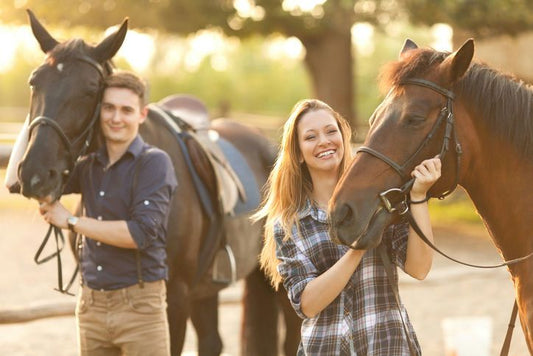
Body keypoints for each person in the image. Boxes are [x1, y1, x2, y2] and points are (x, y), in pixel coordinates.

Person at [254, 99, 441, 355]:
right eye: (310, 137)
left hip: (388, 346)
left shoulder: (381, 197)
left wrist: (418, 197)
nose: (324, 141)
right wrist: (358, 246)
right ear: (297, 152)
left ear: (343, 136)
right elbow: (308, 304)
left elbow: (419, 269)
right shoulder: (289, 224)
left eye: (331, 131)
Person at [39, 71, 177, 356]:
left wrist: (71, 220)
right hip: (90, 306)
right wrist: (41, 119)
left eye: (126, 110)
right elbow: (33, 179)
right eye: (109, 108)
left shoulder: (155, 163)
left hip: (140, 309)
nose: (116, 118)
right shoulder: (87, 165)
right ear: (99, 111)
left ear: (142, 115)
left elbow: (141, 233)